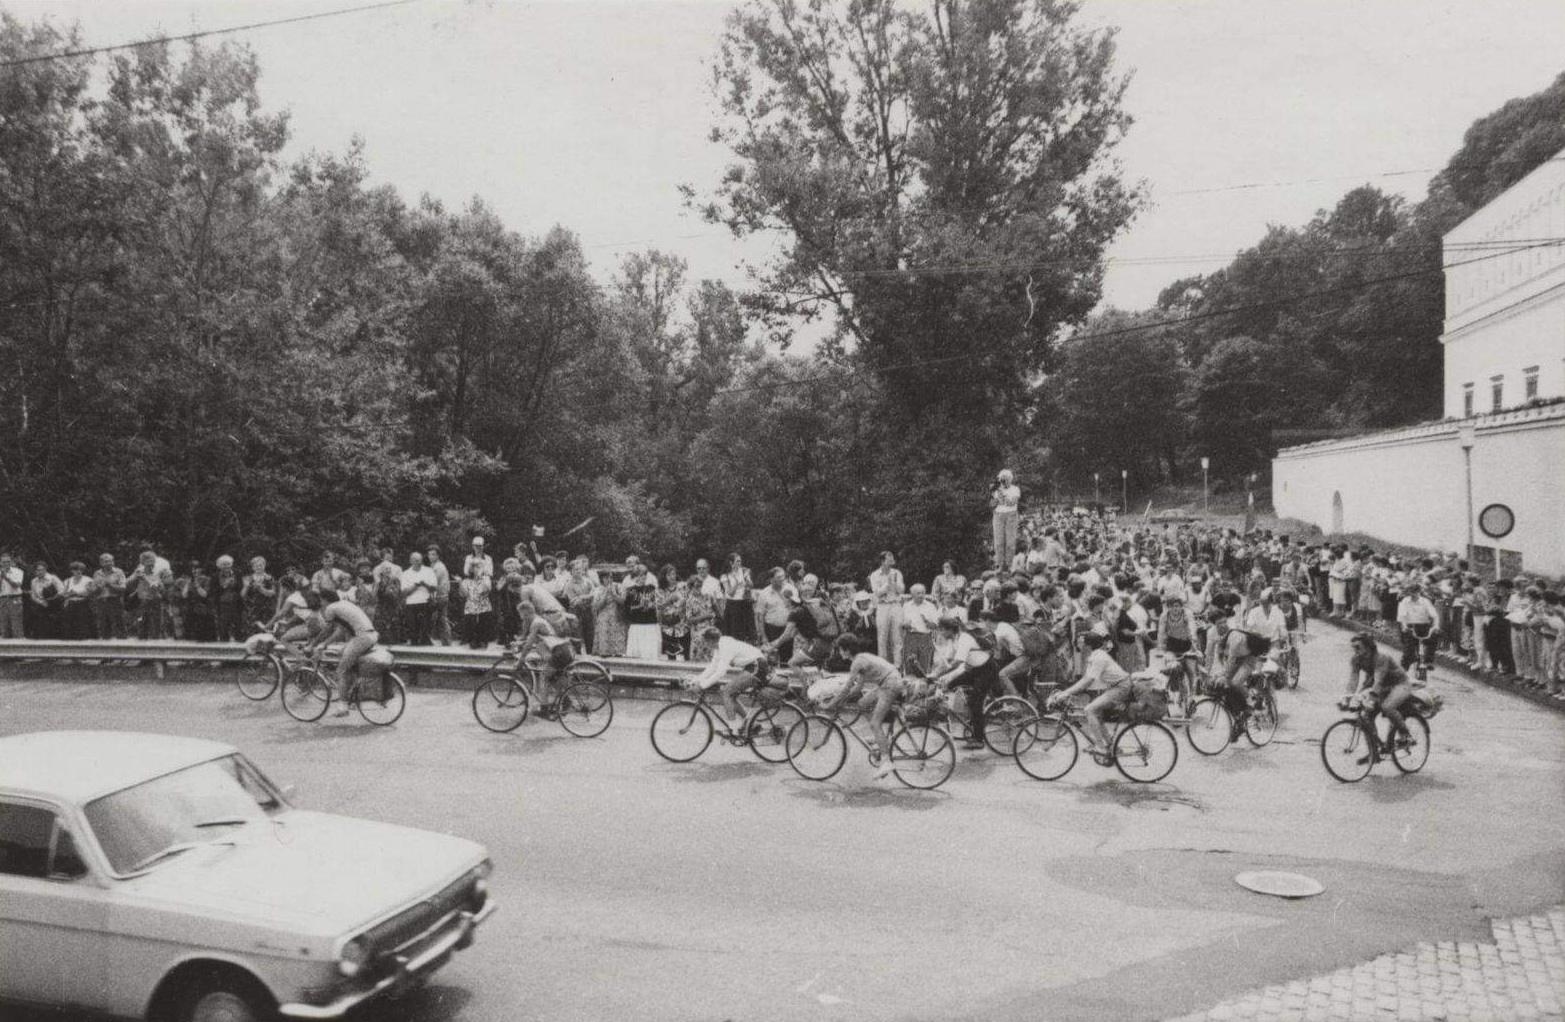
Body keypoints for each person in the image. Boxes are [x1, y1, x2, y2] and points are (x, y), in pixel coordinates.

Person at [820, 634, 914, 777]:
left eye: (840, 649)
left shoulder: (856, 663)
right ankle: (880, 736)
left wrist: (831, 703)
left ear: (846, 650)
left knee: (874, 723)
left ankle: (885, 761)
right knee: (862, 703)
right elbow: (857, 688)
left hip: (889, 685)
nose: (839, 652)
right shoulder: (862, 658)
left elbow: (846, 688)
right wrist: (841, 699)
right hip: (889, 681)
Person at [1046, 630, 1133, 760]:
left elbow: (1087, 682)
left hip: (1121, 687)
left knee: (1089, 709)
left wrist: (1065, 694)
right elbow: (1085, 680)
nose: (1078, 643)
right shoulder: (1095, 656)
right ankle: (1111, 745)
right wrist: (1067, 692)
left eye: (1081, 641)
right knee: (1096, 713)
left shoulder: (1099, 658)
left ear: (1088, 645)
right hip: (1117, 686)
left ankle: (1100, 747)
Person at [303, 590, 380, 717]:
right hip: (371, 635)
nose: (320, 603)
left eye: (321, 600)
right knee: (344, 656)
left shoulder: (330, 608)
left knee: (342, 671)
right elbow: (339, 632)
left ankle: (343, 707)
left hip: (361, 638)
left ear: (326, 599)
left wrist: (312, 645)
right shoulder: (344, 604)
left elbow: (326, 630)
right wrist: (324, 644)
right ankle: (353, 695)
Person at [687, 624, 776, 729]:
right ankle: (753, 724)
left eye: (705, 642)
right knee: (731, 696)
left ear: (710, 641)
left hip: (758, 666)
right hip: (752, 666)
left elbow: (720, 672)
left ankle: (733, 728)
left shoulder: (725, 646)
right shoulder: (719, 646)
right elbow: (712, 667)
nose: (705, 645)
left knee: (727, 692)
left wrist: (702, 686)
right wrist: (697, 679)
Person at [1345, 633, 1415, 757]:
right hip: (1382, 687)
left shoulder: (1381, 657)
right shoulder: (1356, 659)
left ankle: (1406, 735)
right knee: (1366, 716)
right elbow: (1353, 679)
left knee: (1387, 707)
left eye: (1358, 647)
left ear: (1368, 647)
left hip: (1399, 684)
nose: (1355, 651)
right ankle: (1374, 752)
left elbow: (1378, 681)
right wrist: (1347, 698)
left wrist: (1370, 699)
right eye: (1354, 648)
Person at [869, 551, 905, 667]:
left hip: (895, 605)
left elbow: (901, 590)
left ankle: (898, 666)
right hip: (882, 606)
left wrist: (893, 583)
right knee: (882, 637)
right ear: (882, 561)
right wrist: (887, 584)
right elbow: (877, 593)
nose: (892, 561)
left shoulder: (897, 573)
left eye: (892, 559)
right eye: (889, 560)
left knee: (897, 637)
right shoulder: (874, 575)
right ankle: (883, 666)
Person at [1396, 582, 1439, 671]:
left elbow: (1434, 615)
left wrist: (1436, 625)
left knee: (1435, 637)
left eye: (1414, 592)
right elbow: (1403, 616)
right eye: (1410, 592)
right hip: (1410, 627)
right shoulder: (1405, 601)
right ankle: (1404, 668)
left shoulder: (1425, 601)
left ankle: (1428, 661)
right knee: (1408, 651)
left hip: (1423, 626)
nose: (1412, 594)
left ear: (1418, 592)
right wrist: (1404, 626)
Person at [623, 561, 662, 659]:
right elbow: (627, 609)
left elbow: (659, 604)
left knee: (651, 654)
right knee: (636, 654)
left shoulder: (652, 588)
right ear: (636, 576)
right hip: (637, 625)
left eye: (645, 574)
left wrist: (651, 605)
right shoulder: (630, 590)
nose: (643, 577)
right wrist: (639, 606)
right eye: (640, 575)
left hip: (650, 624)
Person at [899, 584, 940, 674]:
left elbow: (936, 626)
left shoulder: (930, 606)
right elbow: (901, 624)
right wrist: (906, 625)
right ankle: (910, 686)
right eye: (918, 593)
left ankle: (924, 686)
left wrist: (927, 622)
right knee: (909, 664)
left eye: (923, 593)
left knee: (924, 666)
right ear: (912, 594)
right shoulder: (906, 606)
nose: (921, 595)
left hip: (925, 638)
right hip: (910, 637)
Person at [400, 551, 438, 645]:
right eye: (416, 561)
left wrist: (425, 584)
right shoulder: (405, 574)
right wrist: (415, 585)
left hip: (425, 602)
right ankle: (414, 648)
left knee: (426, 629)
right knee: (413, 631)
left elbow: (434, 588)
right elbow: (404, 592)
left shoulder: (429, 571)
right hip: (411, 604)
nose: (419, 563)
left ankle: (426, 646)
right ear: (411, 561)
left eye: (420, 560)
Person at [719, 553, 756, 642]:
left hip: (745, 603)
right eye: (738, 561)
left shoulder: (744, 571)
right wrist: (736, 582)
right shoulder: (725, 575)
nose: (740, 563)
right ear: (731, 563)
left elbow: (751, 586)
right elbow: (730, 593)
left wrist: (748, 579)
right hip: (733, 606)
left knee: (748, 631)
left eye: (740, 561)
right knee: (734, 632)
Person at [459, 560, 495, 648]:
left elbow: (486, 591)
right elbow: (464, 594)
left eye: (479, 567)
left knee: (484, 623)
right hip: (471, 605)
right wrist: (460, 583)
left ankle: (483, 640)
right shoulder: (466, 580)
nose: (477, 569)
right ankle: (473, 641)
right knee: (471, 624)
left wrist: (481, 580)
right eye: (475, 567)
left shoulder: (486, 579)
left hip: (483, 605)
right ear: (472, 569)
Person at [991, 469, 1021, 570]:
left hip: (1011, 515)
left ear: (1010, 479)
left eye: (1006, 479)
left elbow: (1012, 502)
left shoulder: (1015, 489)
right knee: (999, 542)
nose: (1004, 481)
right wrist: (994, 494)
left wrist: (1002, 493)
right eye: (1002, 479)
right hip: (998, 515)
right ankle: (1000, 564)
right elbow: (992, 505)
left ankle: (1009, 564)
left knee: (1010, 542)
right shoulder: (997, 490)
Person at [212, 556, 245, 642]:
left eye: (228, 564)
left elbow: (241, 587)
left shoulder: (237, 574)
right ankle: (223, 646)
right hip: (223, 605)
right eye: (224, 565)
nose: (226, 566)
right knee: (223, 627)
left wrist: (234, 584)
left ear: (231, 564)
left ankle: (240, 644)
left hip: (236, 603)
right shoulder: (215, 576)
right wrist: (224, 586)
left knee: (238, 625)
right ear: (220, 566)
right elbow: (213, 591)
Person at [426, 545, 454, 646]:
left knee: (429, 617)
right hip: (441, 595)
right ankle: (446, 642)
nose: (430, 556)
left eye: (433, 554)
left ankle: (429, 639)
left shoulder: (438, 567)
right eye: (429, 554)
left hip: (439, 597)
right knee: (442, 619)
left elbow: (433, 582)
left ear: (438, 555)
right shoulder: (434, 565)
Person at [26, 561, 61, 639]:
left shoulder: (53, 578)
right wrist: (41, 602)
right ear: (35, 571)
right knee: (41, 627)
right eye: (38, 570)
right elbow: (33, 595)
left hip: (54, 605)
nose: (40, 571)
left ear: (45, 569)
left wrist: (51, 600)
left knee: (54, 627)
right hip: (41, 605)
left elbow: (61, 590)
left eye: (42, 569)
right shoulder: (33, 581)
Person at [61, 562, 96, 639]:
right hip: (70, 605)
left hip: (83, 605)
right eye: (76, 569)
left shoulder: (88, 580)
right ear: (71, 571)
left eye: (81, 569)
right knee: (69, 626)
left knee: (82, 626)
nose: (78, 571)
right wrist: (69, 594)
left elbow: (92, 594)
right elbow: (64, 594)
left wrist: (77, 593)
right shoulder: (67, 581)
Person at [242, 557, 277, 631]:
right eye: (256, 565)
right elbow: (243, 595)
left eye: (260, 565)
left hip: (266, 608)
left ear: (264, 566)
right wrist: (246, 586)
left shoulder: (269, 578)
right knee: (252, 631)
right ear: (252, 567)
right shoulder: (248, 578)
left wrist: (261, 589)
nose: (258, 567)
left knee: (266, 630)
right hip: (251, 608)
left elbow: (272, 593)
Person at [0, 554, 24, 639]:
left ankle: (20, 647)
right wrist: (1, 578)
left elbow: (16, 585)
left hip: (15, 598)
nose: (6, 563)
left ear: (11, 562)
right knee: (3, 624)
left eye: (8, 561)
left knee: (16, 624)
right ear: (1, 563)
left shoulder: (18, 571)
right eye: (4, 562)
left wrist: (6, 577)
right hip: (2, 599)